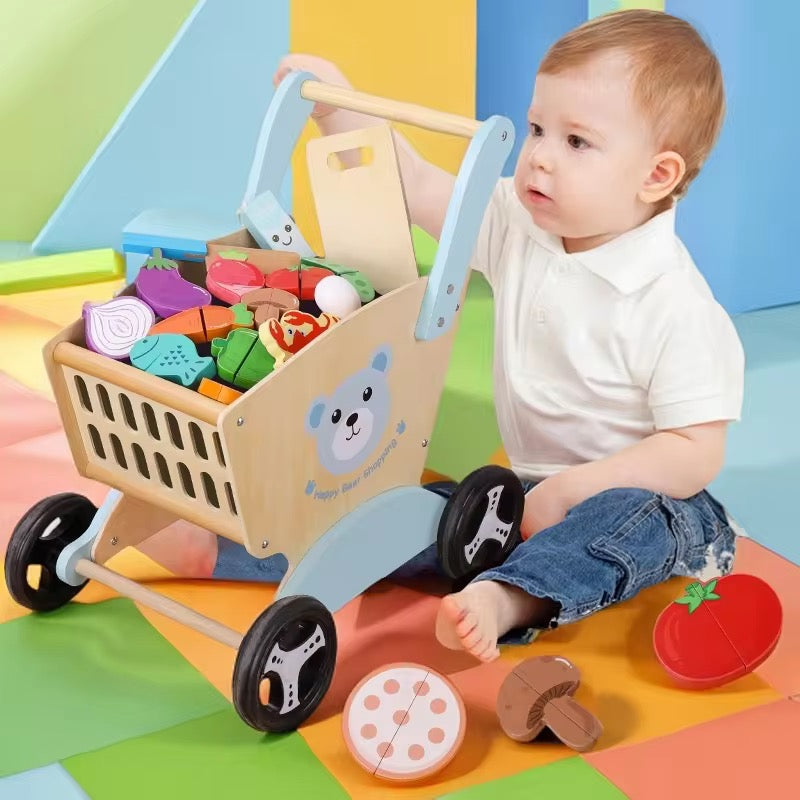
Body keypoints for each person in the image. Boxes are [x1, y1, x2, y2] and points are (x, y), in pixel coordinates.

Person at [139, 9, 745, 664]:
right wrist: (340, 110)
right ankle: (221, 549)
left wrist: (576, 488)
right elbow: (424, 189)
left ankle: (508, 598)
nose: (538, 155)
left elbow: (693, 453)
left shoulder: (674, 303)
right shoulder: (522, 220)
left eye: (576, 142)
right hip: (523, 487)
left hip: (657, 505)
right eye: (538, 128)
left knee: (622, 526)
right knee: (403, 513)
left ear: (655, 176)